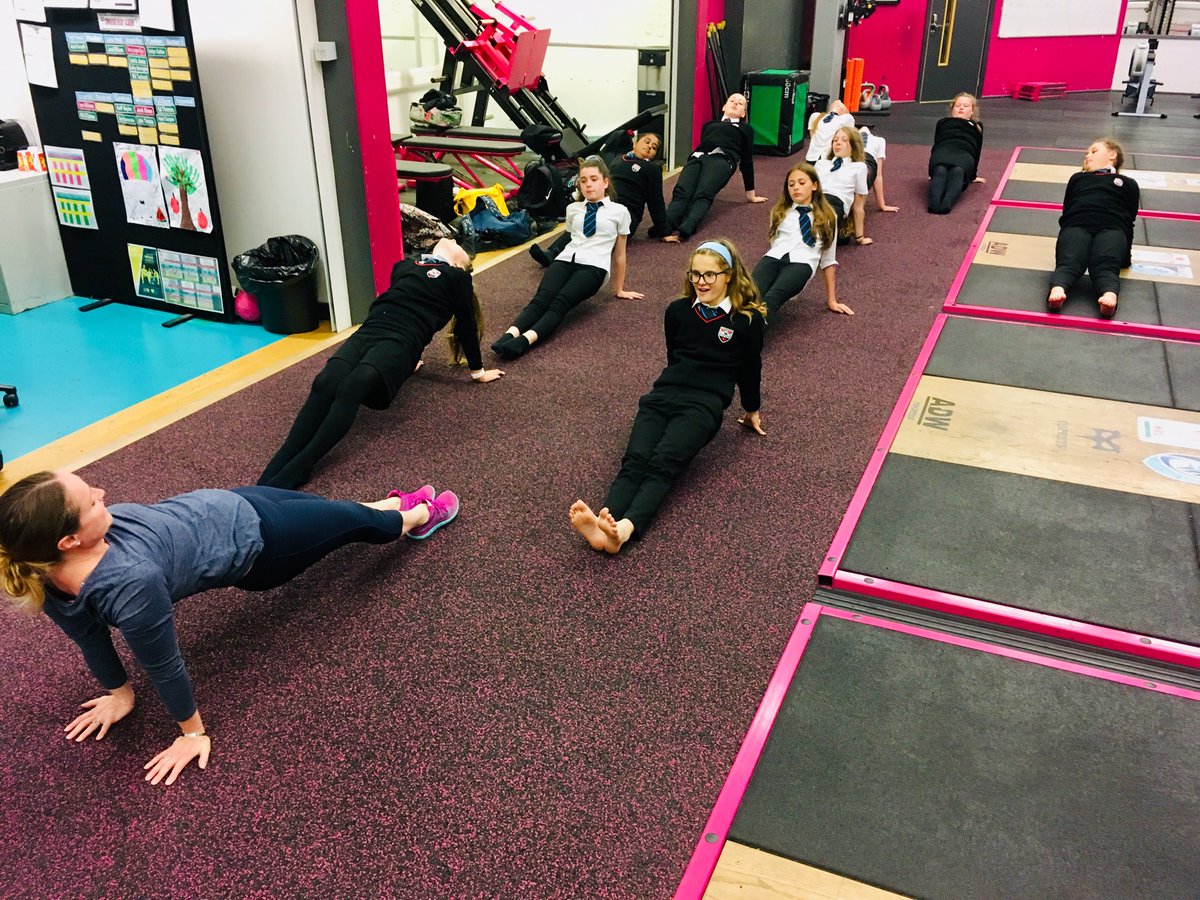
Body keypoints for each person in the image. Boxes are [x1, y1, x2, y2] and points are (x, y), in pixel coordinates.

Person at [0, 470, 459, 786]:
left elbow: (88, 632)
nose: (102, 492)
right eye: (91, 500)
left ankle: (385, 506)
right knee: (357, 524)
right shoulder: (128, 582)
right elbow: (159, 663)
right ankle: (417, 517)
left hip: (229, 501)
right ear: (68, 541)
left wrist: (122, 693)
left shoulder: (45, 563)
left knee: (334, 511)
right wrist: (192, 734)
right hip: (262, 545)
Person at [569, 239, 766, 554]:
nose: (701, 282)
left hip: (704, 404)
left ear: (728, 275)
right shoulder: (677, 310)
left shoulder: (747, 319)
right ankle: (603, 525)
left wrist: (752, 408)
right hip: (662, 395)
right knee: (635, 459)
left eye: (710, 275)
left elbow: (749, 368)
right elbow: (675, 356)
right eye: (695, 274)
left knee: (663, 462)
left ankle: (625, 528)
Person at [259, 238, 503, 491]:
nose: (452, 239)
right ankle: (279, 464)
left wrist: (478, 371)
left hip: (402, 339)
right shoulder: (404, 266)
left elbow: (466, 325)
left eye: (458, 246)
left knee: (351, 387)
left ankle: (302, 466)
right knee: (324, 383)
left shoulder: (457, 278)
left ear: (458, 263)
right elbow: (398, 299)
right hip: (371, 330)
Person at [492, 156, 643, 358]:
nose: (588, 184)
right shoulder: (573, 209)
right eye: (583, 180)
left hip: (594, 267)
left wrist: (619, 289)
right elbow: (571, 237)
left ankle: (524, 341)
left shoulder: (620, 212)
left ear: (605, 182)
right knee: (540, 300)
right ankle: (509, 335)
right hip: (566, 259)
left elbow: (620, 252)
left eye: (594, 179)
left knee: (559, 303)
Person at [529, 133, 670, 266]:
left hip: (626, 213)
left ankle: (567, 260)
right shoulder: (617, 160)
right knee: (581, 221)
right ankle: (551, 252)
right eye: (647, 142)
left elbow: (656, 200)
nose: (649, 147)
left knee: (598, 230)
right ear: (635, 143)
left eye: (654, 147)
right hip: (605, 203)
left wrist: (663, 231)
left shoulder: (652, 169)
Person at [1047, 138, 1139, 318]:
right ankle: (1058, 290)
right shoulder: (1078, 179)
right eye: (1086, 154)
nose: (1088, 156)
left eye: (1094, 151)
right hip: (1078, 224)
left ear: (1112, 155)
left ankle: (1109, 295)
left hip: (1112, 228)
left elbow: (1129, 221)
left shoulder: (1127, 183)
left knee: (1106, 265)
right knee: (1069, 261)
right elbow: (1067, 210)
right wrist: (1066, 231)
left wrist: (1125, 257)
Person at [752, 163, 854, 321]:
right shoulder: (779, 212)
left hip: (802, 262)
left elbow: (828, 259)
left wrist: (832, 300)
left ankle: (746, 339)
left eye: (801, 183)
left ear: (814, 186)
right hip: (773, 257)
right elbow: (774, 242)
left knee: (771, 299)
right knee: (749, 297)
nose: (795, 188)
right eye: (791, 184)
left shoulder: (828, 216)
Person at [661, 94, 767, 242]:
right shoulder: (709, 125)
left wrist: (751, 194)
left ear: (743, 113)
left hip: (722, 159)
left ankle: (689, 224)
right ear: (724, 106)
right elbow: (704, 143)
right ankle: (667, 223)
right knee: (682, 191)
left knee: (704, 192)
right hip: (698, 157)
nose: (736, 103)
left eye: (740, 103)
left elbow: (747, 161)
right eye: (732, 101)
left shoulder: (745, 129)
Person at [814, 126, 874, 245]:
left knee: (820, 230)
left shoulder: (859, 167)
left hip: (835, 203)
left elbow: (858, 206)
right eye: (835, 140)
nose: (838, 142)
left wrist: (860, 237)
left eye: (844, 140)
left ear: (853, 146)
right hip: (814, 199)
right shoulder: (821, 164)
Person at [927, 92, 984, 214]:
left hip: (964, 154)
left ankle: (947, 201)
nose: (961, 108)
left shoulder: (976, 126)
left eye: (965, 106)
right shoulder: (943, 122)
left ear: (972, 111)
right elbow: (936, 143)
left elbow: (977, 151)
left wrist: (973, 176)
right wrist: (931, 170)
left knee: (958, 171)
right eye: (958, 106)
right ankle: (934, 203)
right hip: (943, 151)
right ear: (952, 109)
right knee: (940, 170)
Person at [859, 126, 900, 213]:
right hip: (866, 164)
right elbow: (878, 175)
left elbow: (878, 175)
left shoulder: (878, 140)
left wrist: (882, 204)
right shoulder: (879, 140)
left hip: (863, 162)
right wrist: (881, 204)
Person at [806, 99, 855, 164]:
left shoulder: (815, 117)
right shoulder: (815, 116)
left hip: (815, 158)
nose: (837, 102)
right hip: (825, 160)